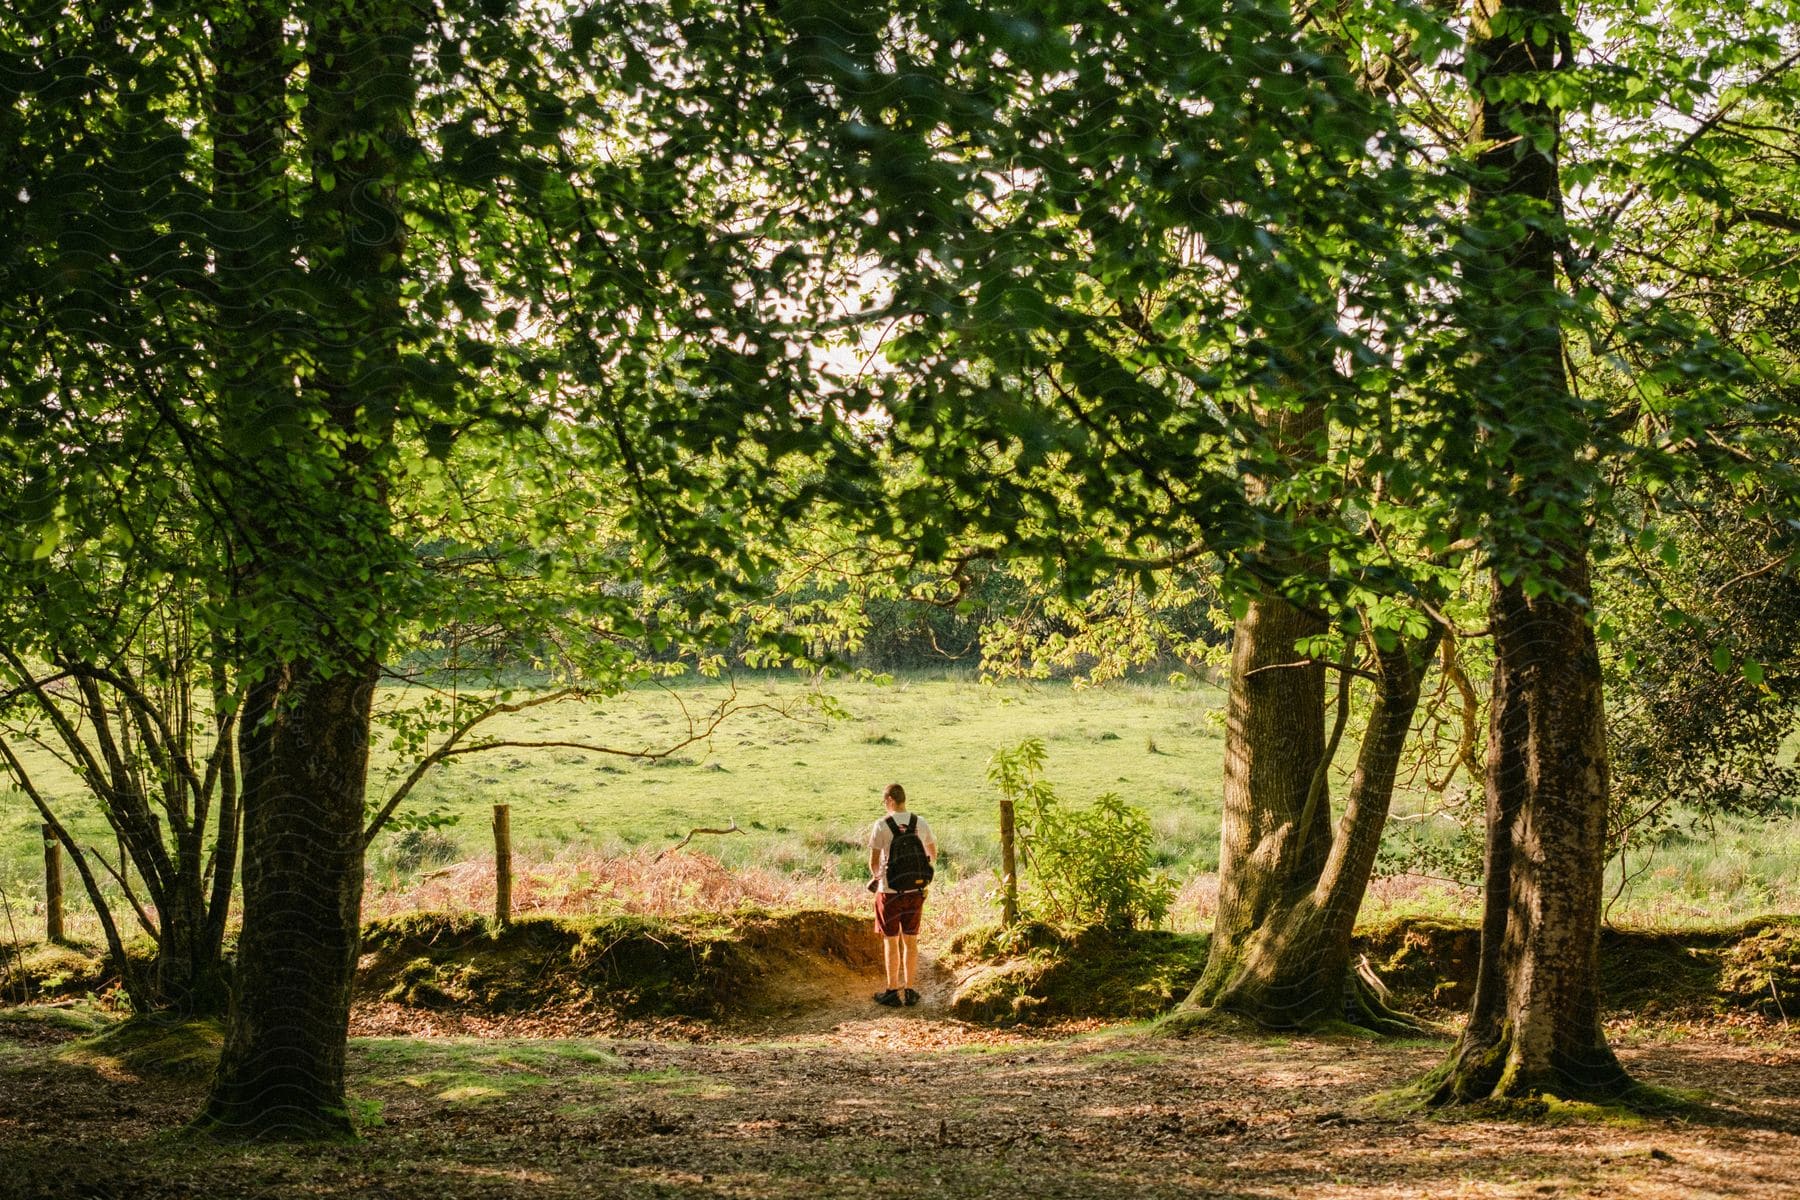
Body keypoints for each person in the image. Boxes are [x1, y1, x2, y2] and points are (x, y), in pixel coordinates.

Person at [867, 782, 936, 1008]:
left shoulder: (882, 825)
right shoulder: (921, 823)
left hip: (889, 892)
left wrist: (878, 878)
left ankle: (891, 991)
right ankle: (910, 990)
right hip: (916, 891)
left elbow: (874, 862)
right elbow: (932, 854)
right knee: (911, 940)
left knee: (891, 940)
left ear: (889, 800)